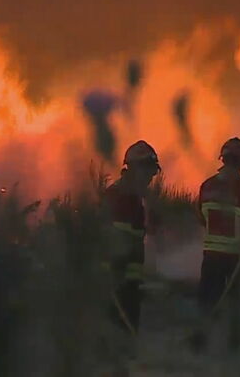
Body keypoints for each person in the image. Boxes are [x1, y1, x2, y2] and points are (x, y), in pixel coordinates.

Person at [195, 137, 240, 350]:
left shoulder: (206, 186)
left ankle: (201, 342)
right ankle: (237, 347)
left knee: (208, 301)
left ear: (223, 159)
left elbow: (201, 218)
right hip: (237, 259)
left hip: (210, 257)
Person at [103, 140, 161, 334]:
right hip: (116, 280)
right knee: (116, 329)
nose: (151, 178)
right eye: (149, 172)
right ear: (136, 169)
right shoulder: (117, 196)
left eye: (153, 173)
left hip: (129, 282)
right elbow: (113, 239)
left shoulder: (135, 197)